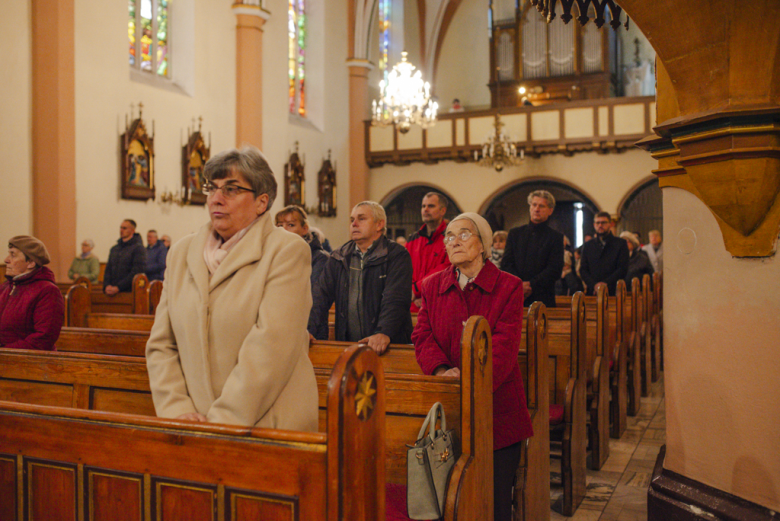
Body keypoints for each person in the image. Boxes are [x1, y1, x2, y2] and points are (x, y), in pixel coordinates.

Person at [145, 146, 318, 431]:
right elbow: (162, 343)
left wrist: (221, 422)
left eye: (231, 189)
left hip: (268, 424)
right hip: (193, 426)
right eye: (211, 188)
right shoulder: (181, 253)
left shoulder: (286, 251)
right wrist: (177, 410)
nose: (216, 198)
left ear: (261, 202)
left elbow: (272, 348)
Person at [412, 213, 533, 521]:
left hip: (497, 410)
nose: (454, 242)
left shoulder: (509, 287)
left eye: (463, 235)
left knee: (492, 501)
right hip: (450, 406)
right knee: (450, 499)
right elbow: (422, 334)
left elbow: (504, 347)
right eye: (449, 236)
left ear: (484, 245)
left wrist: (471, 380)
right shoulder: (431, 285)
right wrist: (440, 370)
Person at [308, 201, 413, 353]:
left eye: (361, 219)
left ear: (379, 225)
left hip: (388, 346)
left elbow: (396, 299)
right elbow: (320, 296)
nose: (354, 224)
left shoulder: (397, 255)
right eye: (352, 220)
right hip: (348, 345)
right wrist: (310, 329)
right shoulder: (339, 256)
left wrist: (383, 332)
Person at [500, 190, 564, 308]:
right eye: (534, 205)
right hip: (516, 295)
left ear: (550, 210)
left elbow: (555, 269)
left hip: (543, 298)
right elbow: (506, 264)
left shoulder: (556, 237)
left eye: (541, 206)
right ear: (530, 207)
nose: (536, 209)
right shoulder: (515, 234)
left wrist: (531, 285)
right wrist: (520, 285)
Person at [0, 236, 65, 350]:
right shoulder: (5, 287)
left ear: (30, 262)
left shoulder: (47, 291)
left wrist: (5, 352)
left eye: (13, 255)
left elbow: (43, 338)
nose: (6, 259)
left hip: (27, 362)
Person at [407, 192, 451, 312]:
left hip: (439, 304)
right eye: (423, 206)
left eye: (431, 206)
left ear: (442, 211)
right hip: (413, 306)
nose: (425, 209)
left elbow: (446, 270)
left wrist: (416, 290)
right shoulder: (412, 239)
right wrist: (412, 295)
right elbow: (404, 269)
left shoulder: (451, 238)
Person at [275, 205, 330, 288]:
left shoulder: (319, 258)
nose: (283, 229)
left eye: (290, 225)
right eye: (280, 226)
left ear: (304, 229)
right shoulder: (273, 255)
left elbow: (316, 296)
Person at [580, 211, 629, 296]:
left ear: (610, 224)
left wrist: (605, 284)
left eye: (603, 222)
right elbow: (583, 269)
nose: (600, 225)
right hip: (593, 292)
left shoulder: (620, 244)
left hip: (614, 291)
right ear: (594, 225)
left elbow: (622, 268)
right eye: (597, 223)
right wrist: (594, 285)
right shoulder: (588, 245)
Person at [103, 219, 147, 295]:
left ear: (132, 230)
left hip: (128, 292)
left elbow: (136, 272)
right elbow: (108, 270)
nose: (121, 230)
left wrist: (119, 287)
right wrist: (107, 285)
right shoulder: (114, 249)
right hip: (111, 291)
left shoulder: (138, 248)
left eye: (124, 228)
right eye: (121, 228)